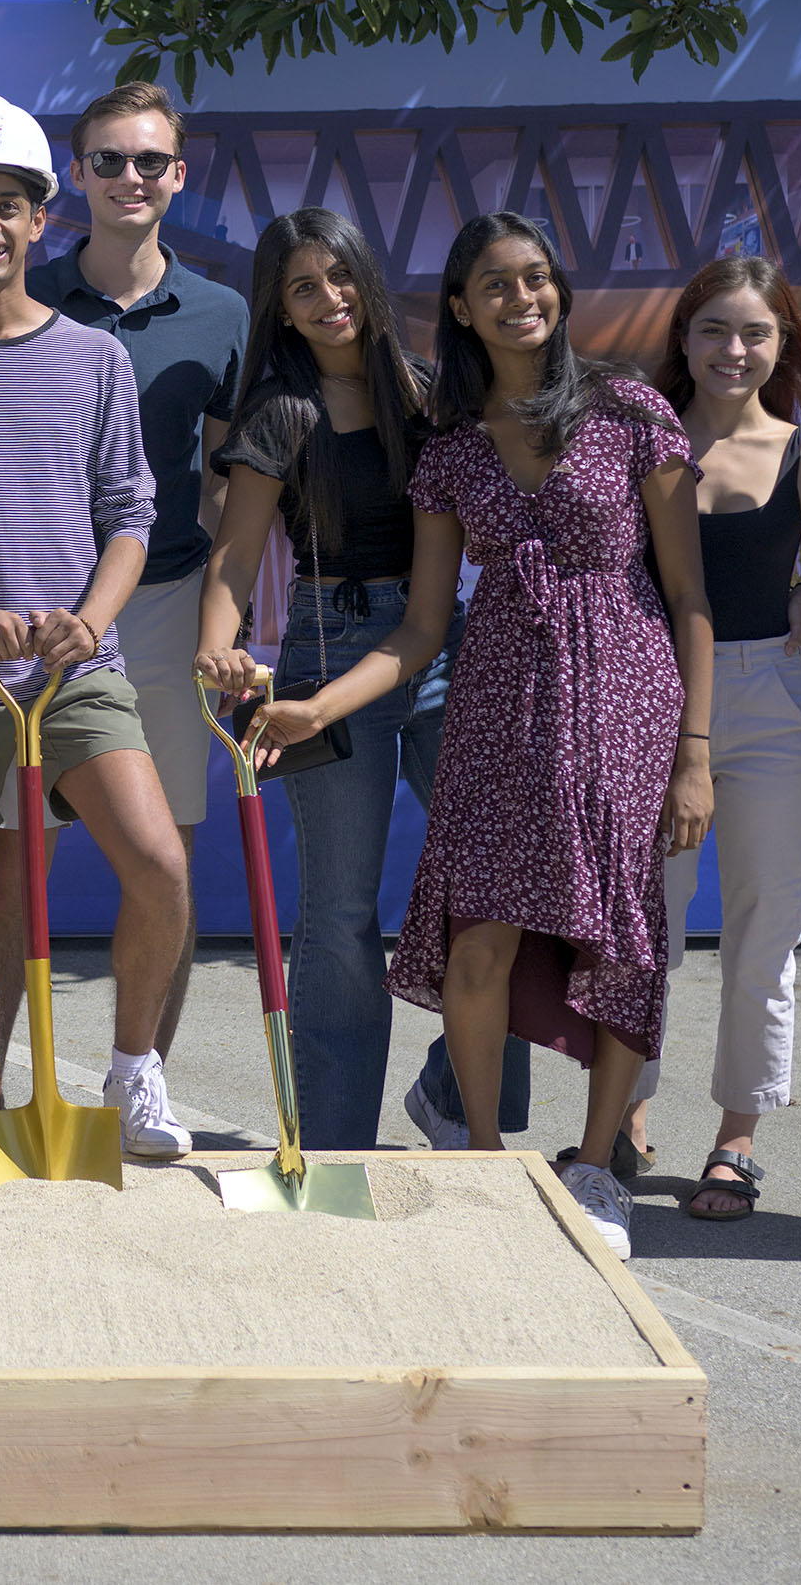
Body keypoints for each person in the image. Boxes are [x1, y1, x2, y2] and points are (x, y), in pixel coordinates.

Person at [255, 210, 716, 1259]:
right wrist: (319, 707)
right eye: (497, 285)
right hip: (496, 711)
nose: (524, 298)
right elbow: (420, 627)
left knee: (618, 937)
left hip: (627, 708)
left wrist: (695, 750)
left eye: (538, 278)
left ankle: (598, 1163)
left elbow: (688, 593)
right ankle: (474, 1148)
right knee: (480, 937)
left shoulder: (631, 410)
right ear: (460, 308)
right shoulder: (451, 453)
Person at [0, 84, 248, 1106]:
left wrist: (87, 621)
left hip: (79, 664)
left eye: (8, 205)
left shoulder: (93, 356)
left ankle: (135, 1070)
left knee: (159, 865)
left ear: (41, 215)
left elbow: (133, 505)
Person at [196, 205, 530, 1150]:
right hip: (326, 652)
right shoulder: (282, 409)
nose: (331, 299)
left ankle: (470, 1108)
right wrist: (218, 646)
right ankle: (335, 1148)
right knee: (340, 913)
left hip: (443, 651)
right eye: (305, 288)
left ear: (367, 282)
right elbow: (233, 555)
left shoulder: (429, 394)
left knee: (498, 880)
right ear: (284, 310)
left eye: (342, 277)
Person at [617, 254, 801, 1220]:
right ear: (682, 337)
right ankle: (626, 1114)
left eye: (756, 332)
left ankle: (736, 1137)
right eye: (715, 329)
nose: (734, 349)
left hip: (769, 698)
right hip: (652, 698)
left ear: (784, 345)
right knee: (644, 928)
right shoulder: (640, 439)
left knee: (765, 929)